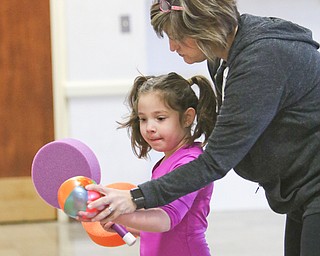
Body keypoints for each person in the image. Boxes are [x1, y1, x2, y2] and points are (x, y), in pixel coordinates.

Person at [83, 0, 320, 255]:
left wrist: (134, 198)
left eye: (178, 38)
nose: (172, 47)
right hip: (300, 191)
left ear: (206, 26)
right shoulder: (221, 59)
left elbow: (216, 161)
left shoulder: (262, 59)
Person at [80, 72, 217, 255]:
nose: (149, 127)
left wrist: (119, 213)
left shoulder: (190, 163)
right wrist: (125, 223)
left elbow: (167, 219)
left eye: (160, 118)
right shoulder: (167, 161)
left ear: (187, 117)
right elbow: (160, 231)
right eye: (143, 119)